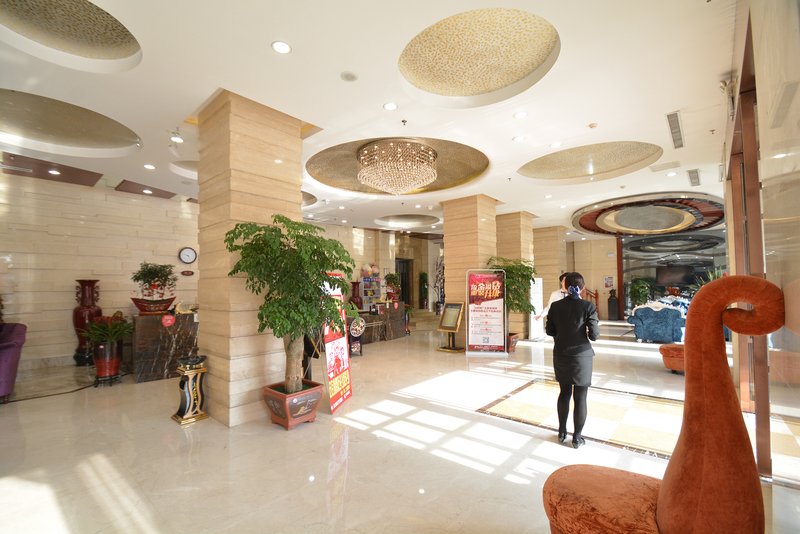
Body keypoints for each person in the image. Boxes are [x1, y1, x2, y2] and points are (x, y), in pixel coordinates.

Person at [545, 271, 599, 449]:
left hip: (561, 354)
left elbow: (550, 331)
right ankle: (577, 438)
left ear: (564, 286)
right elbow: (594, 335)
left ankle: (561, 432)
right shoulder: (588, 306)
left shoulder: (555, 306)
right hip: (582, 357)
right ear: (583, 288)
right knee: (580, 397)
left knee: (564, 393)